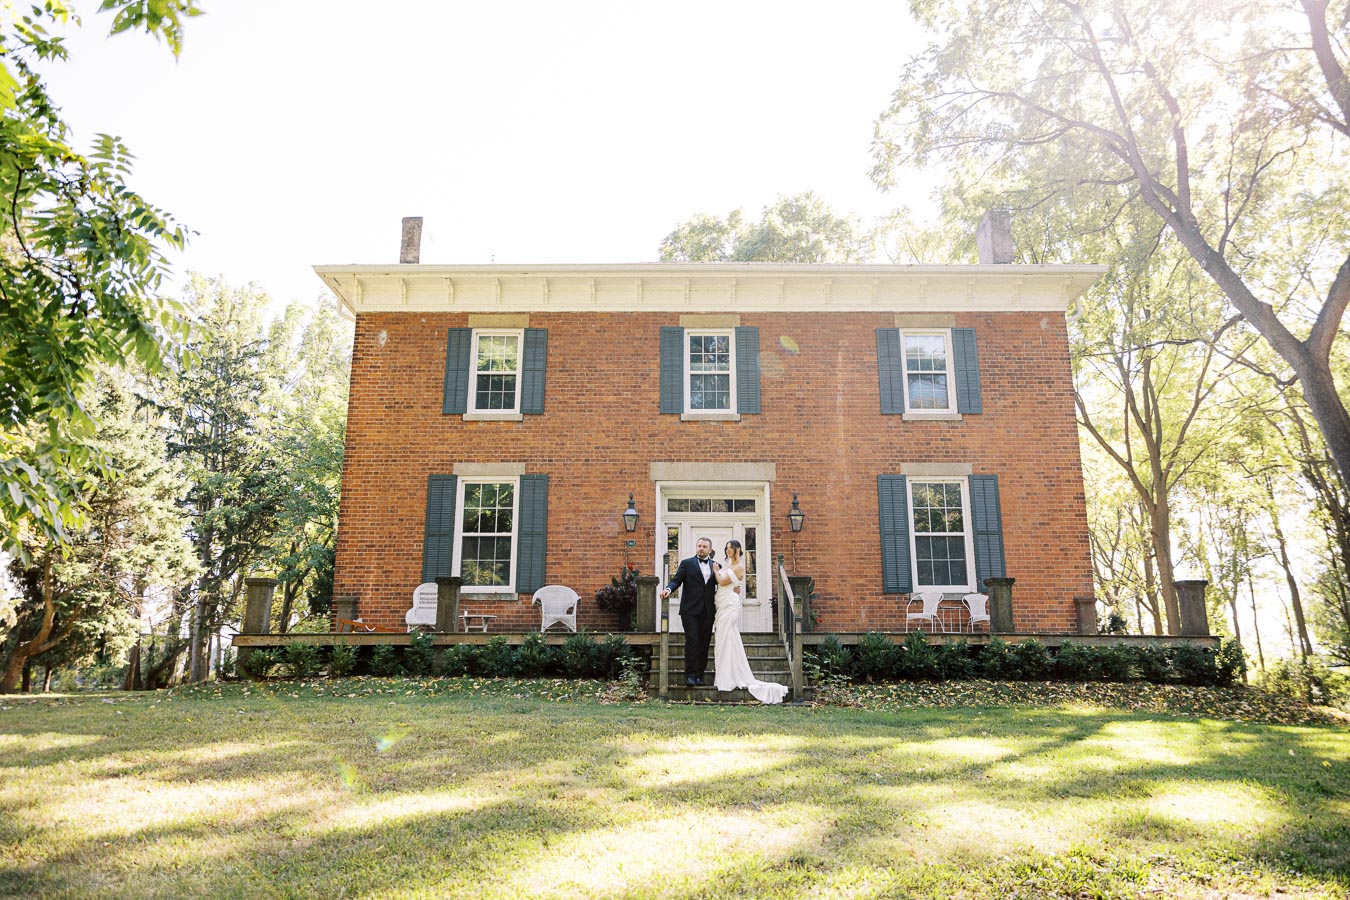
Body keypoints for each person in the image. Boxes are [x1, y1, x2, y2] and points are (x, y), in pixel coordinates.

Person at [712, 540, 788, 704]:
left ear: (737, 549)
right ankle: (726, 677)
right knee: (724, 641)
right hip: (721, 602)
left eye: (730, 548)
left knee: (725, 639)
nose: (728, 551)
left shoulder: (739, 565)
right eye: (726, 549)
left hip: (730, 605)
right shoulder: (727, 564)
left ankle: (728, 679)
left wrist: (716, 571)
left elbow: (723, 582)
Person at [661, 537, 718, 687]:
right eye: (699, 545)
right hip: (690, 610)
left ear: (710, 550)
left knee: (704, 643)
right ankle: (690, 676)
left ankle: (700, 675)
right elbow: (677, 580)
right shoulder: (687, 563)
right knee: (692, 640)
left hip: (708, 610)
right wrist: (668, 589)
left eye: (704, 546)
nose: (701, 548)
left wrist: (734, 588)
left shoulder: (716, 566)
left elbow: (722, 583)